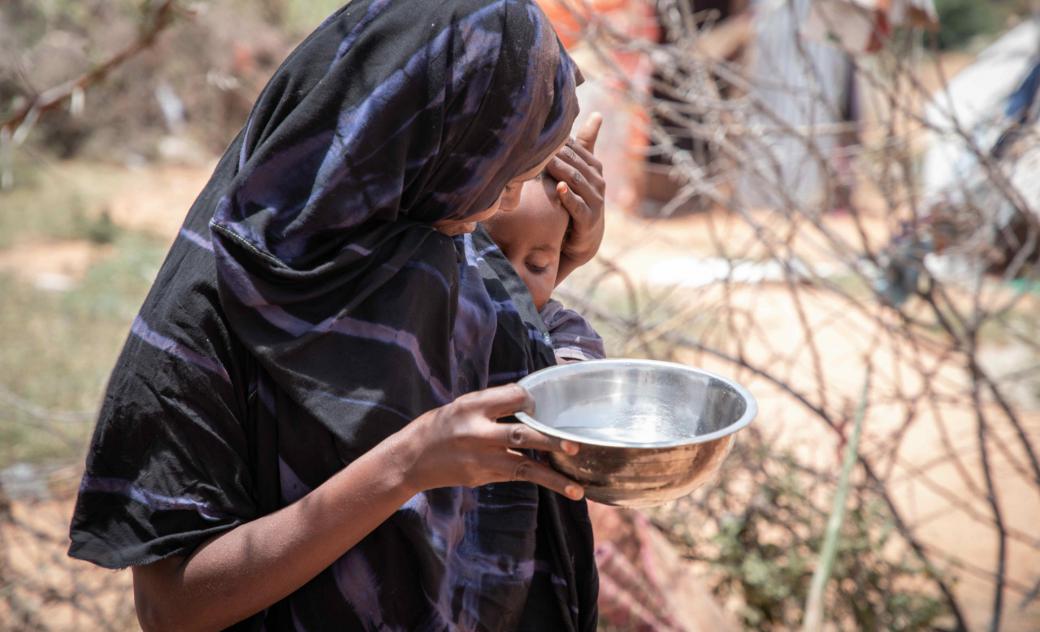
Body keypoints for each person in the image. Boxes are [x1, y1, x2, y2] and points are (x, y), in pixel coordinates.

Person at [67, 2, 606, 630]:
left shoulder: (428, 242)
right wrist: (405, 466)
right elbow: (171, 605)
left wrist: (561, 261)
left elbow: (511, 336)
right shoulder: (206, 318)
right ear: (415, 136)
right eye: (502, 172)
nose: (501, 203)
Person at [484, 168, 606, 364]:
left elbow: (573, 382)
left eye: (537, 265)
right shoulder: (449, 302)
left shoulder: (563, 329)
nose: (512, 274)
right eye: (494, 255)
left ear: (561, 259)